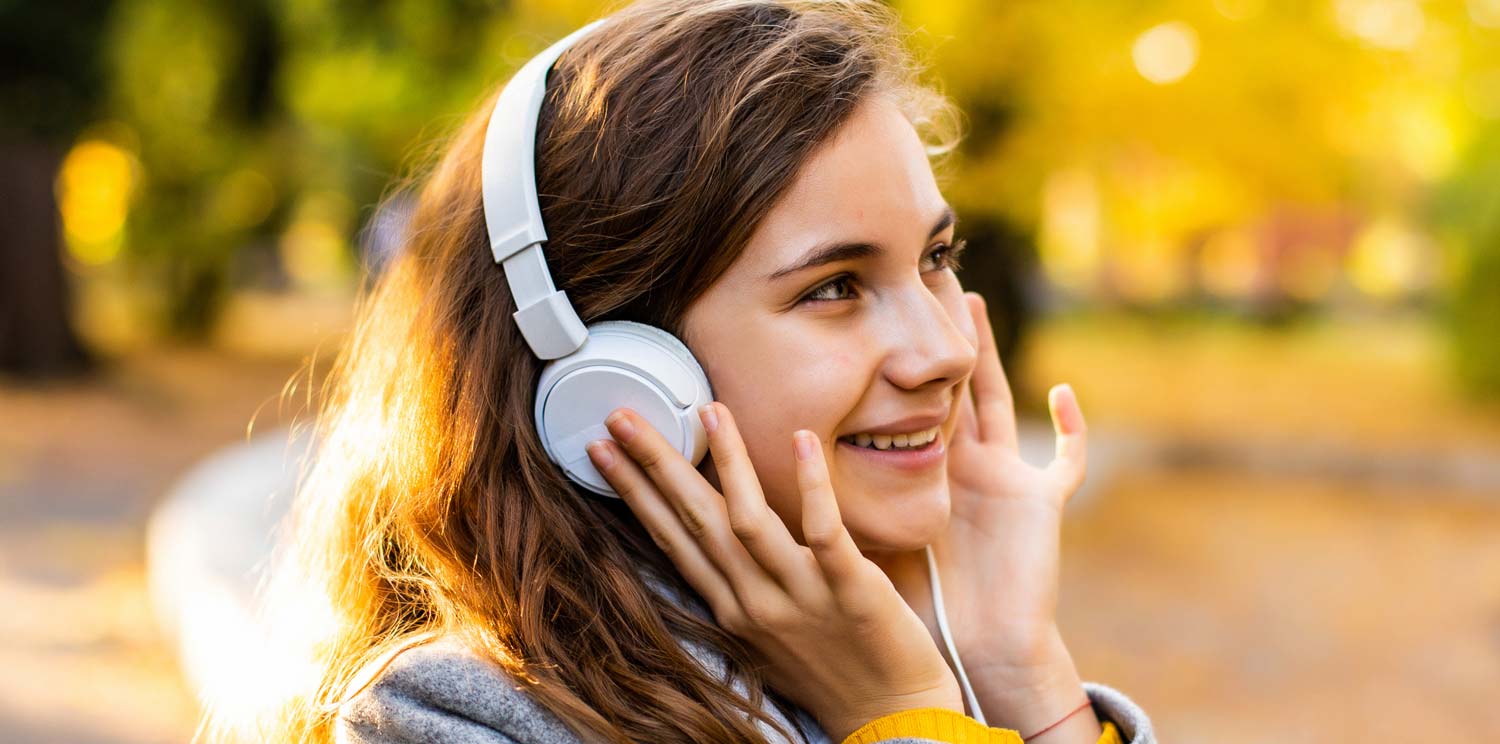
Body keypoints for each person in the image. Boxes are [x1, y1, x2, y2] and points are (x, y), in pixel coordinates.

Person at [217, 1, 1157, 742]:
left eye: (937, 259)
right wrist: (903, 716)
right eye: (834, 286)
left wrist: (1022, 675)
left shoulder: (911, 642)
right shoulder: (455, 715)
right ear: (616, 375)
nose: (947, 350)